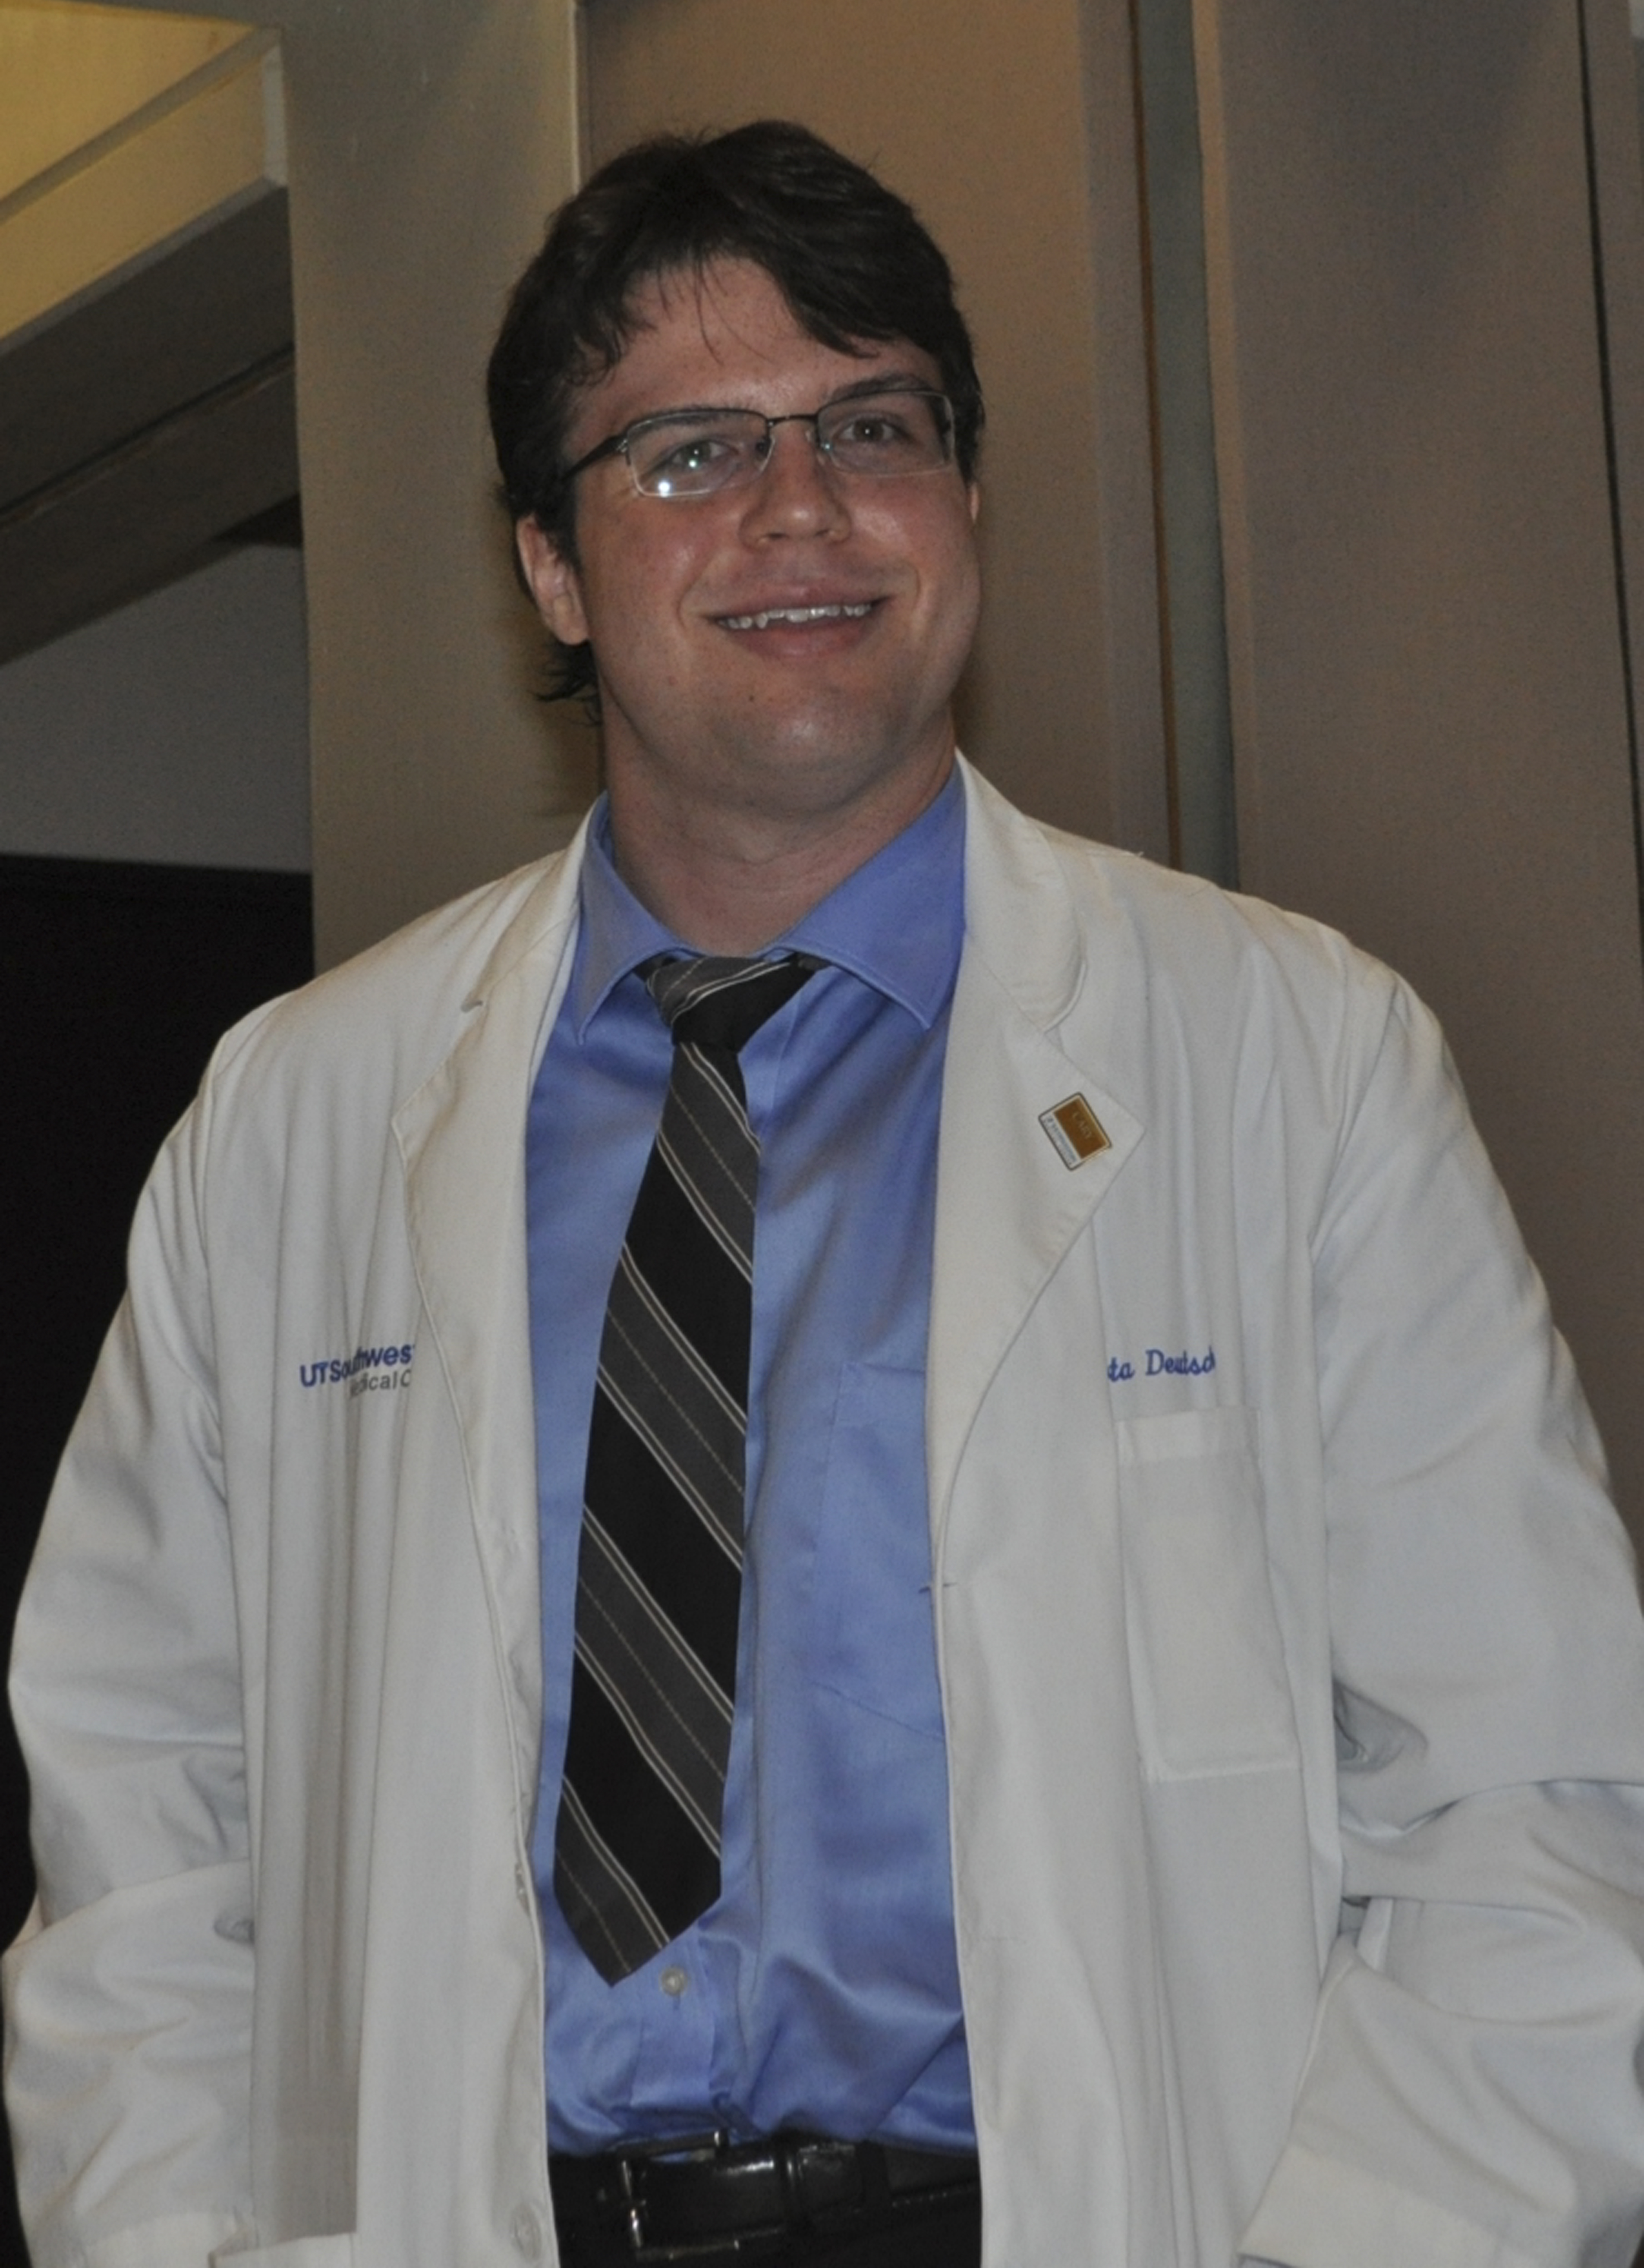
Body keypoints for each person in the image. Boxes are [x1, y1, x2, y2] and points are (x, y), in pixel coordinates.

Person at [7, 119, 1644, 2268]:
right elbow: (143, 1829)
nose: (800, 507)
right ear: (551, 570)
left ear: (963, 501)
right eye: (690, 451)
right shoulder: (293, 1119)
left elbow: (1526, 1793)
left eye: (872, 425)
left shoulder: (1292, 1059)